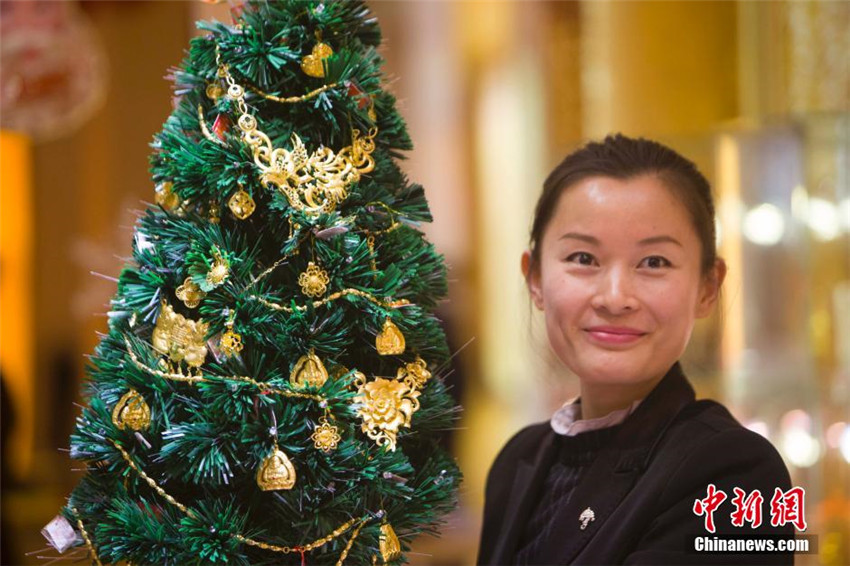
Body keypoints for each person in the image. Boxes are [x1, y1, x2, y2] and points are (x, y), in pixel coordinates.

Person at [476, 134, 795, 566]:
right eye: (584, 258)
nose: (615, 297)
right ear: (534, 279)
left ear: (707, 287)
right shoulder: (518, 462)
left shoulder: (734, 473)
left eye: (654, 262)